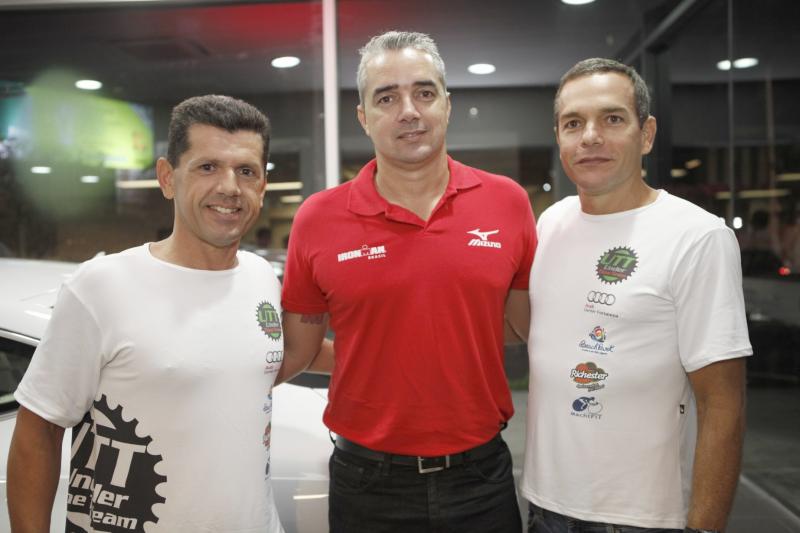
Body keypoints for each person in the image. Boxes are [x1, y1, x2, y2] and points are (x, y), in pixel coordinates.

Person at [279, 31, 536, 532]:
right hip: (366, 483)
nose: (409, 111)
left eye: (424, 92)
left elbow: (518, 327)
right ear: (363, 117)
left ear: (447, 105)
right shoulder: (318, 218)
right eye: (387, 97)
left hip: (481, 477)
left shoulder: (508, 202)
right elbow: (300, 351)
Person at [8, 95, 285, 532]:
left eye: (246, 171)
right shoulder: (101, 286)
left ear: (263, 186)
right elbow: (37, 433)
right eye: (208, 167)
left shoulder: (262, 278)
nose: (230, 187)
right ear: (167, 178)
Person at [520, 58, 752, 533]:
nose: (590, 137)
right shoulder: (550, 223)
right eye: (573, 123)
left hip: (642, 518)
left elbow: (723, 404)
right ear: (559, 137)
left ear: (646, 135)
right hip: (545, 506)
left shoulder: (697, 237)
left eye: (612, 119)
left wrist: (705, 528)